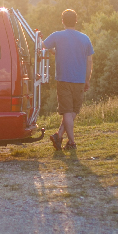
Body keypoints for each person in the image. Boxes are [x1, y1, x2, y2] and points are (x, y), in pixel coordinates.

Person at [42, 9, 94, 151]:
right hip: (79, 80)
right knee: (72, 111)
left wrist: (53, 50)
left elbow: (42, 46)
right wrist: (87, 80)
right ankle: (70, 141)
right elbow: (89, 61)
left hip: (63, 79)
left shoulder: (57, 36)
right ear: (76, 21)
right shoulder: (85, 38)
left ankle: (61, 137)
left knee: (68, 112)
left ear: (63, 21)